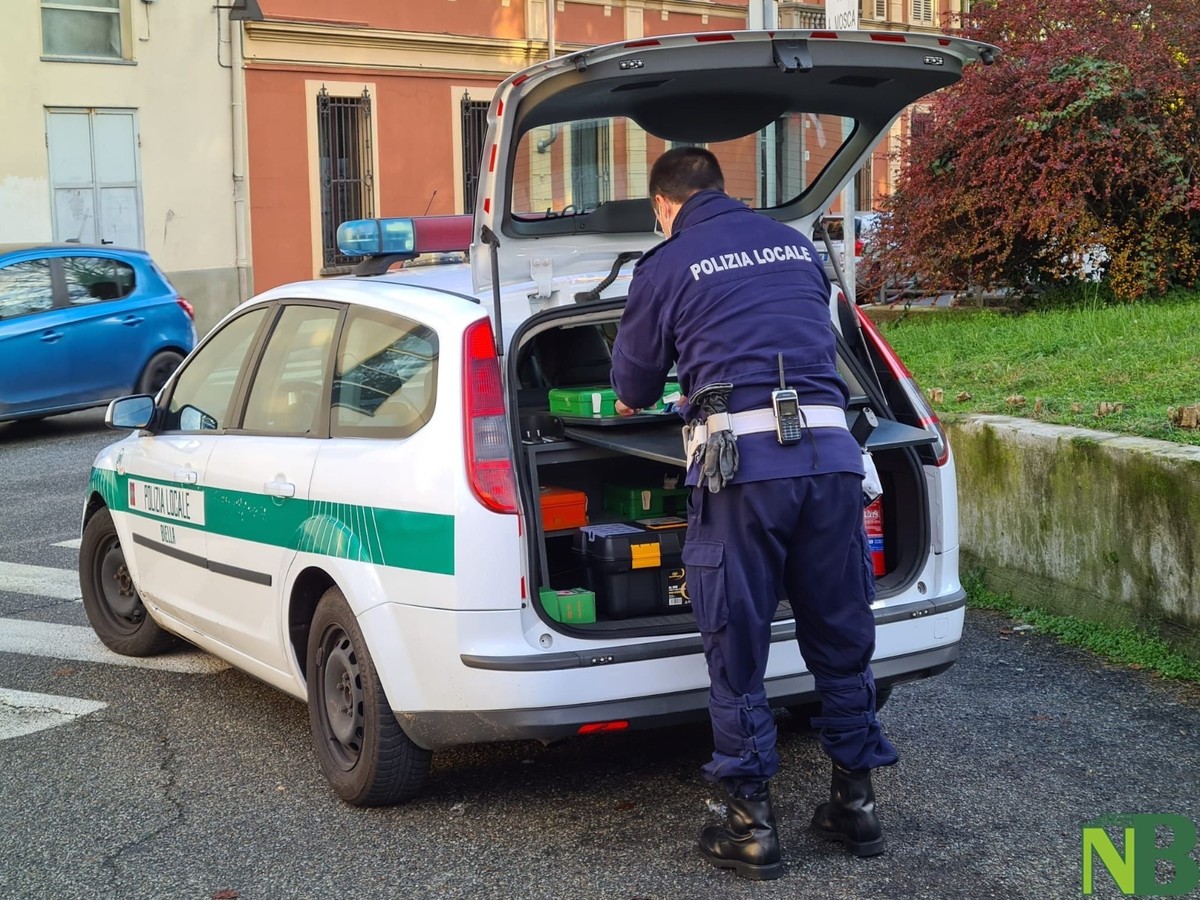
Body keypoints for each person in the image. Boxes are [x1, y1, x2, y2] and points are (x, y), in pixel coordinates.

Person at [610, 147, 897, 881]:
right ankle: (856, 807)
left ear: (663, 206)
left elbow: (633, 388)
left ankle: (750, 826)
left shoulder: (668, 263)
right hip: (833, 461)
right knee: (840, 631)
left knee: (737, 644)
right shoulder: (795, 246)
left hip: (744, 475)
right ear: (721, 189)